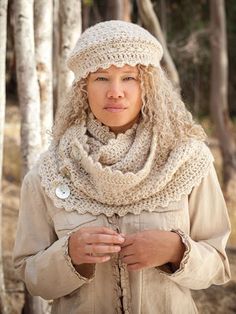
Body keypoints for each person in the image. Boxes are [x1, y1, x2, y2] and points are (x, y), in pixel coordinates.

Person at [13, 20, 231, 314]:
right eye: (101, 78)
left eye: (129, 77)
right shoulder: (49, 172)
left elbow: (218, 264)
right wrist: (69, 255)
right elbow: (32, 277)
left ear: (149, 86)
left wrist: (175, 250)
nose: (115, 92)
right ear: (83, 88)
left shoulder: (188, 160)